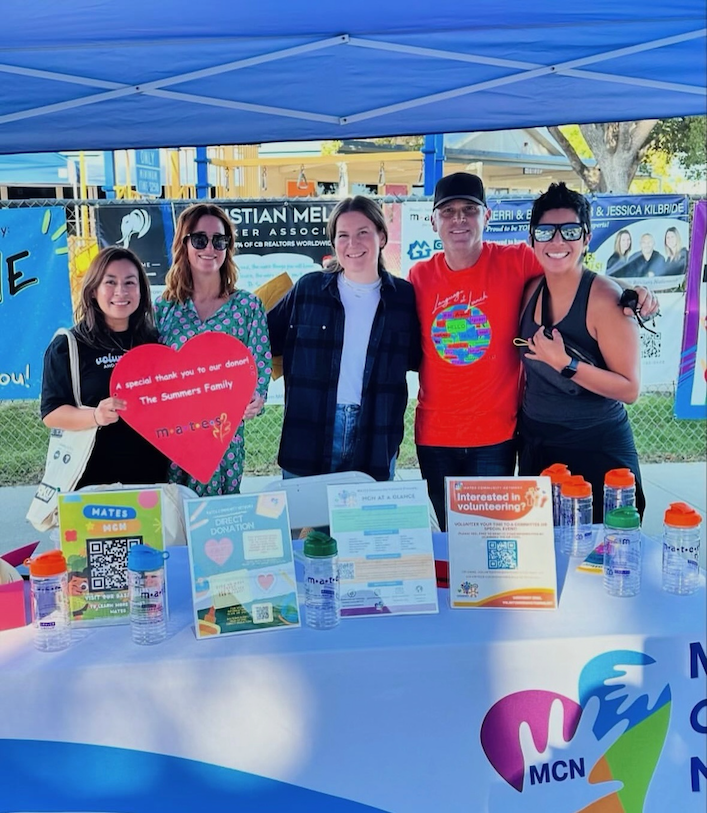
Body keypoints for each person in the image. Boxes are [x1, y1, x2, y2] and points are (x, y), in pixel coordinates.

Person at [408, 172, 657, 530]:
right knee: (461, 538)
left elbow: (573, 269)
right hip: (446, 434)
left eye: (470, 210)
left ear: (486, 216)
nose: (459, 219)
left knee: (495, 537)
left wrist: (632, 292)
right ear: (433, 221)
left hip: (500, 436)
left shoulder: (514, 262)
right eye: (448, 211)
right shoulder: (419, 278)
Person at [267, 196, 421, 481]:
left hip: (375, 433)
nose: (353, 243)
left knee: (366, 510)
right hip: (309, 430)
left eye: (363, 232)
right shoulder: (308, 289)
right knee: (307, 512)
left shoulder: (403, 297)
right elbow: (263, 342)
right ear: (333, 242)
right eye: (343, 235)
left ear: (382, 237)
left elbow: (418, 358)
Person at [517, 182, 645, 520]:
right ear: (532, 239)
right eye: (546, 232)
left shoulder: (605, 299)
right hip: (537, 443)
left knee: (597, 550)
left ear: (586, 239)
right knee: (541, 550)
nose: (558, 241)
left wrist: (566, 363)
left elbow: (629, 389)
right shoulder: (530, 289)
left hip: (595, 447)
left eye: (570, 231)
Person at [155, 203, 271, 496]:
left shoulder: (247, 307)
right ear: (184, 244)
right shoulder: (164, 308)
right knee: (173, 514)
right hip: (174, 440)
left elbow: (258, 364)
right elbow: (152, 373)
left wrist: (256, 398)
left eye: (219, 240)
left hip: (223, 443)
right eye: (199, 239)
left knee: (219, 518)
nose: (210, 248)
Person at [41, 246, 168, 487]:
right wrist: (95, 416)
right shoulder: (68, 346)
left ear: (141, 290)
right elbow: (51, 413)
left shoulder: (155, 342)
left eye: (130, 282)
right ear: (93, 291)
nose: (121, 291)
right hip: (90, 482)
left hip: (150, 480)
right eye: (110, 282)